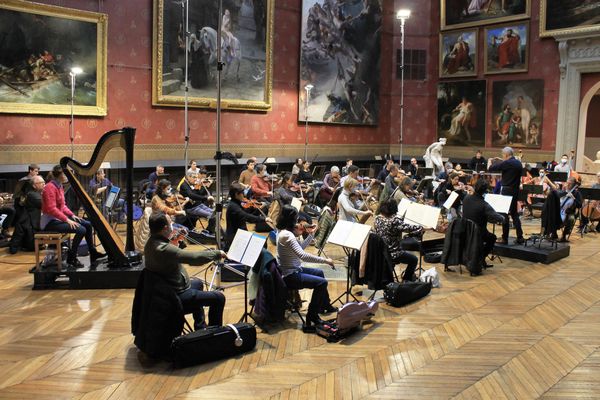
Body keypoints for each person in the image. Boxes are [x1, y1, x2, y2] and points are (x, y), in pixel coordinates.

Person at [144, 213, 226, 329]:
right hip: (173, 296)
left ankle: (200, 326)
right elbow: (194, 259)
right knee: (219, 298)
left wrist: (175, 243)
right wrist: (217, 253)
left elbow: (170, 255)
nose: (173, 225)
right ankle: (212, 336)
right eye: (170, 223)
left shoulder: (151, 242)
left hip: (165, 289)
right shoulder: (163, 248)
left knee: (198, 283)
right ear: (165, 228)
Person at [276, 205, 335, 331]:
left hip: (295, 269)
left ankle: (325, 306)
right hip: (290, 276)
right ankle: (311, 316)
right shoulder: (287, 235)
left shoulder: (283, 231)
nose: (298, 222)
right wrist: (325, 260)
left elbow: (300, 248)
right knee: (321, 283)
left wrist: (310, 235)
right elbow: (302, 255)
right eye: (296, 219)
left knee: (319, 273)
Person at [41, 165, 106, 267]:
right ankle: (72, 258)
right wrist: (67, 220)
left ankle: (93, 253)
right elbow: (51, 209)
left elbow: (63, 206)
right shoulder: (50, 187)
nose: (68, 176)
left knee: (88, 224)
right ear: (60, 175)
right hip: (49, 222)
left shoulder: (59, 186)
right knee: (81, 230)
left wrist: (72, 215)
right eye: (66, 173)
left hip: (58, 219)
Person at [374, 199, 424, 282]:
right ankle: (406, 279)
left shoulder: (378, 218)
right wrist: (423, 228)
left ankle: (387, 276)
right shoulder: (394, 221)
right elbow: (409, 228)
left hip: (382, 251)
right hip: (393, 253)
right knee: (414, 259)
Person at [462, 179, 505, 271]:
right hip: (478, 233)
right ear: (485, 191)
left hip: (465, 230)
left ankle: (477, 257)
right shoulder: (484, 205)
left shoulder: (466, 198)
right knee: (492, 238)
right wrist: (504, 217)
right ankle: (481, 257)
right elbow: (499, 218)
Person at [488, 147, 524, 244]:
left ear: (506, 155)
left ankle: (504, 238)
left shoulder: (507, 163)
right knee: (514, 214)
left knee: (504, 214)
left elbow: (491, 168)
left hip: (507, 190)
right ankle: (520, 236)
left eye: (503, 155)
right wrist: (501, 161)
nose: (502, 157)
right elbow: (506, 164)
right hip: (515, 190)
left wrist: (490, 161)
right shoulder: (518, 163)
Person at [225, 183, 273, 249]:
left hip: (241, 233)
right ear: (236, 194)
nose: (244, 195)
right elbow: (247, 217)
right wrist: (264, 219)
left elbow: (247, 213)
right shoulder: (233, 206)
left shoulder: (236, 203)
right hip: (236, 237)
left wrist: (256, 208)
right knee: (262, 243)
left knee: (263, 242)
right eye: (242, 193)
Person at [9, 175, 44, 254]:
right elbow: (45, 204)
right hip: (30, 226)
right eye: (41, 182)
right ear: (34, 185)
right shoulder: (32, 195)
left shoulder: (37, 193)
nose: (44, 184)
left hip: (34, 223)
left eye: (44, 182)